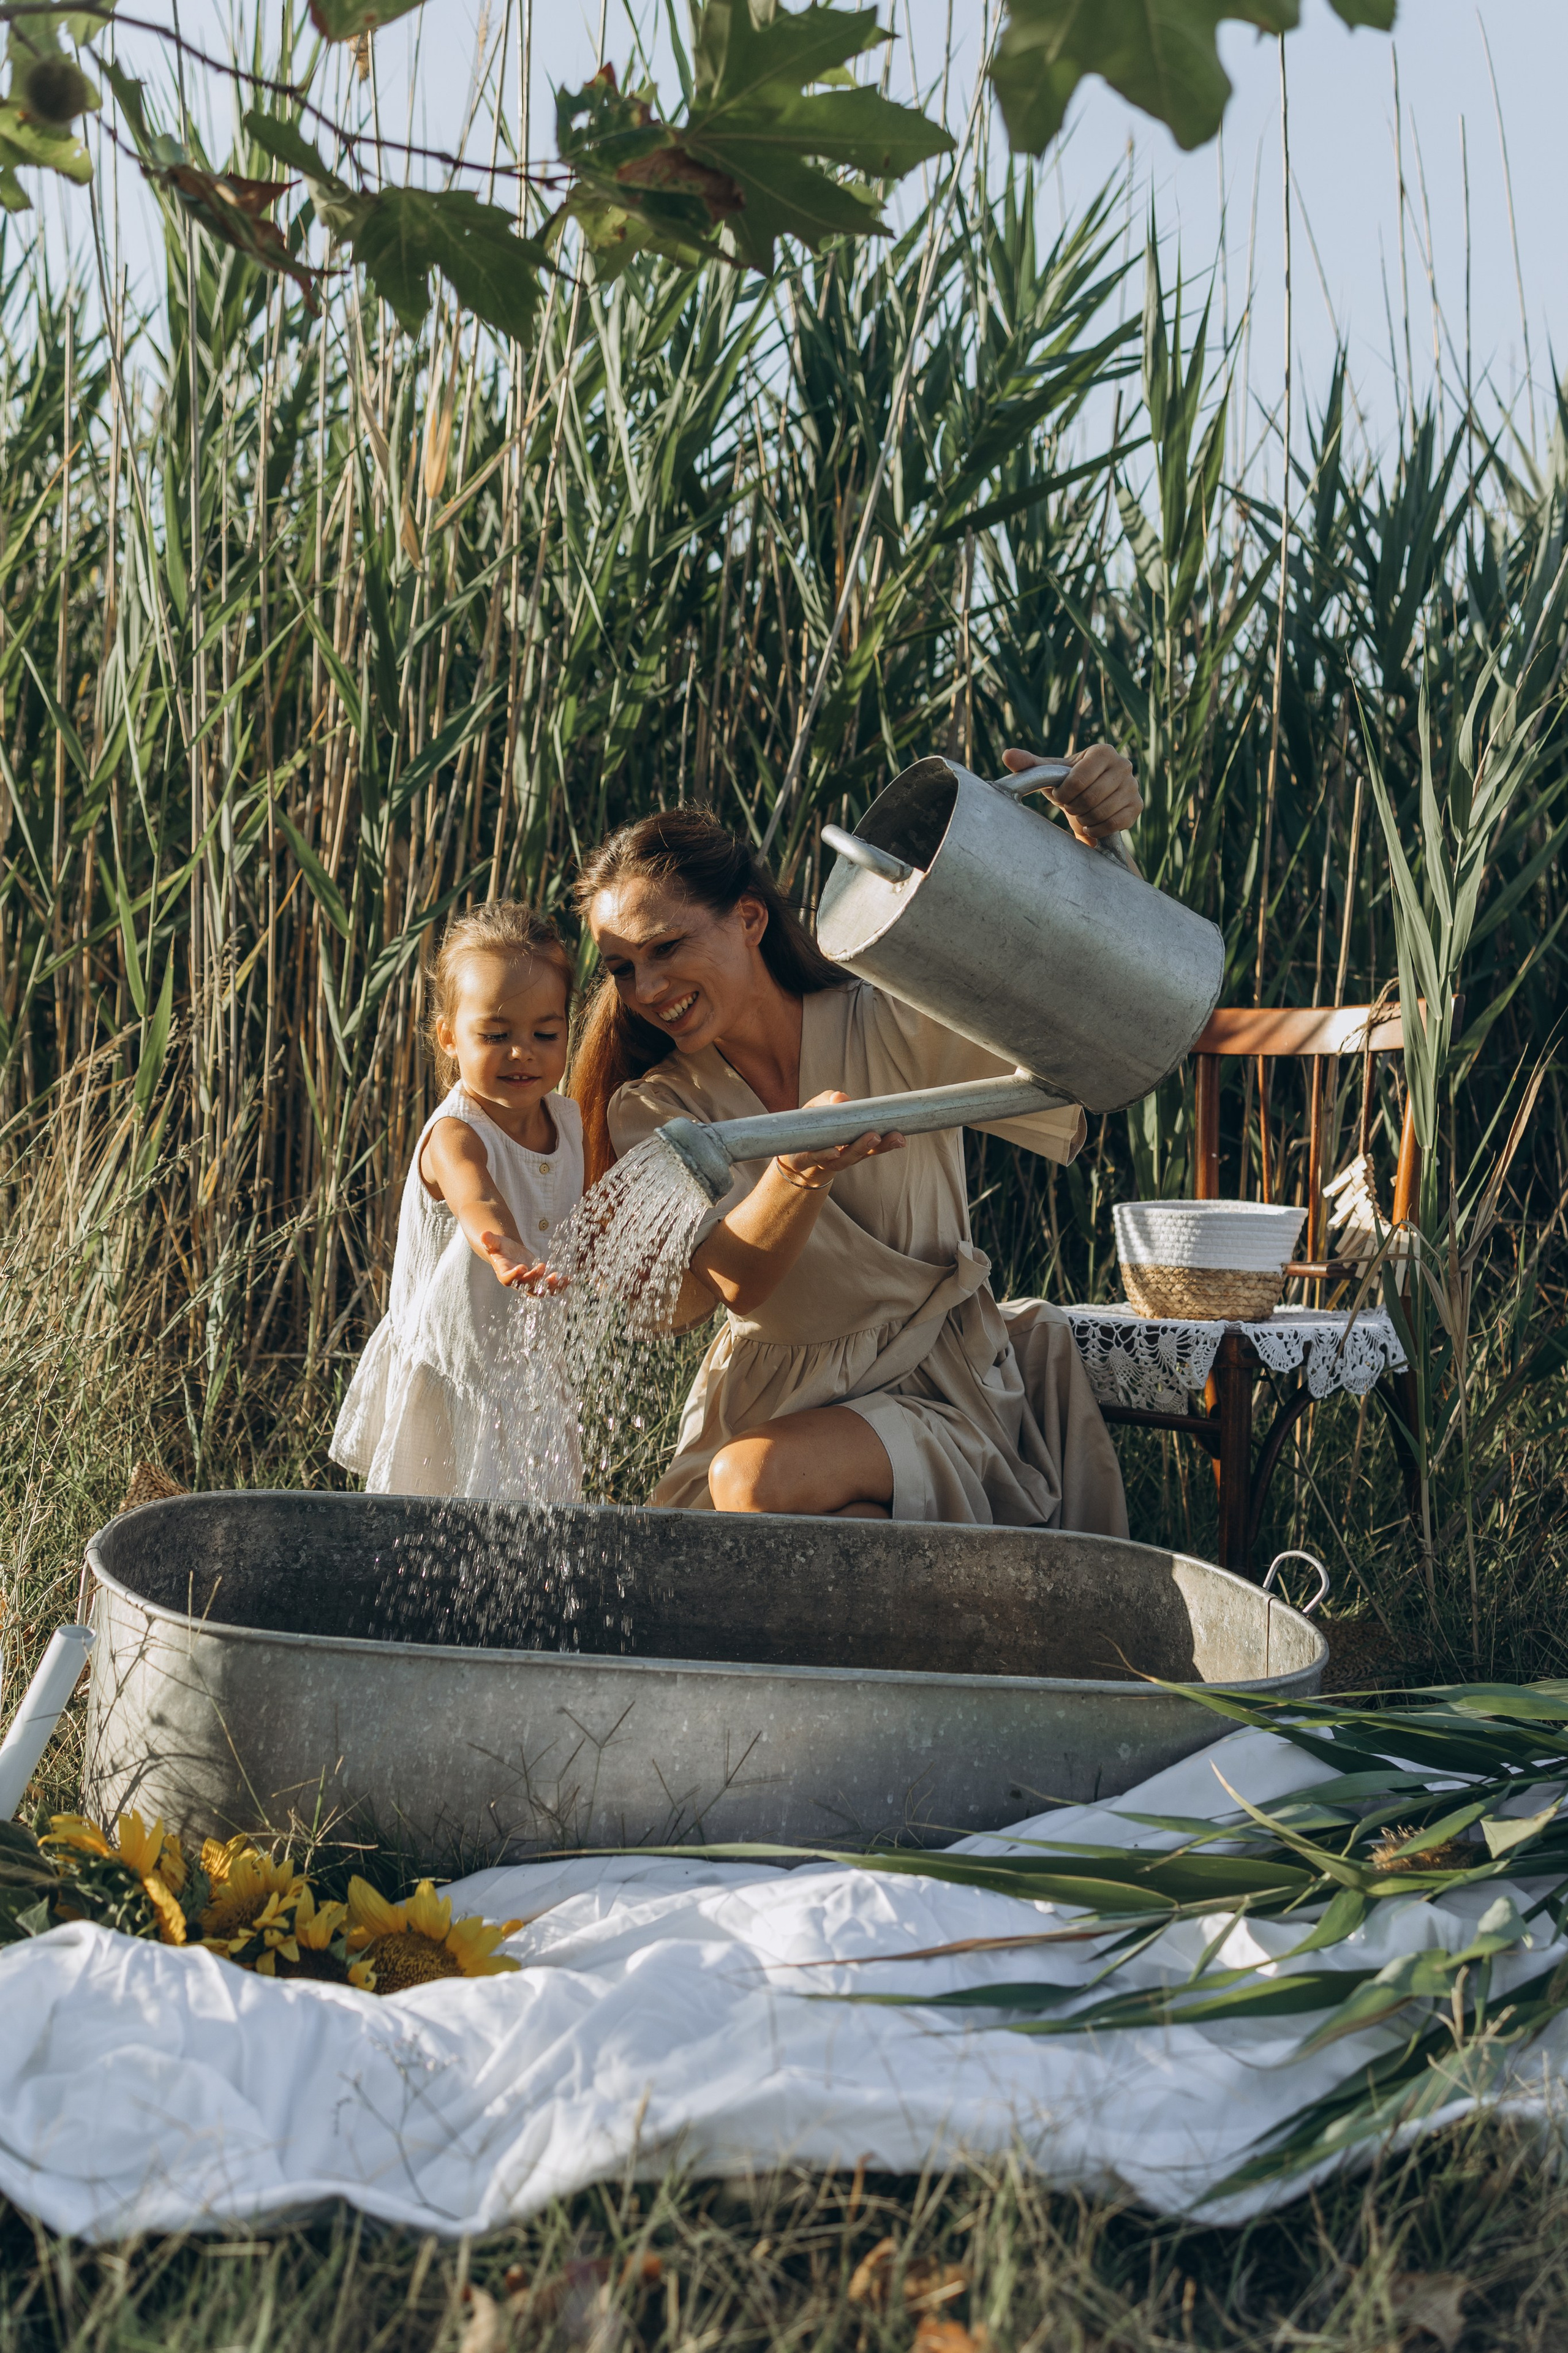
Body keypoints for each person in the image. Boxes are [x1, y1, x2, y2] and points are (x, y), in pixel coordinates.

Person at [570, 747, 1136, 1532]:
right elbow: (734, 1283)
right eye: (622, 969)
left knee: (754, 1484)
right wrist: (798, 1176)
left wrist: (1088, 841)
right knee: (714, 1549)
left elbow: (1085, 1013)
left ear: (750, 919)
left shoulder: (891, 1019)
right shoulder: (657, 1105)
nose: (648, 989)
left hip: (932, 1384)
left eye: (665, 947)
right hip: (767, 1399)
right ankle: (955, 1625)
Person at [331, 902, 583, 1500]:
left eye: (543, 1034)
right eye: (495, 1035)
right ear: (448, 1035)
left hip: (525, 1372)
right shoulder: (455, 1134)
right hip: (456, 1371)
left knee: (531, 1526)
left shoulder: (567, 1121)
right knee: (429, 1530)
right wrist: (505, 1248)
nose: (521, 1051)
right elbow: (478, 1197)